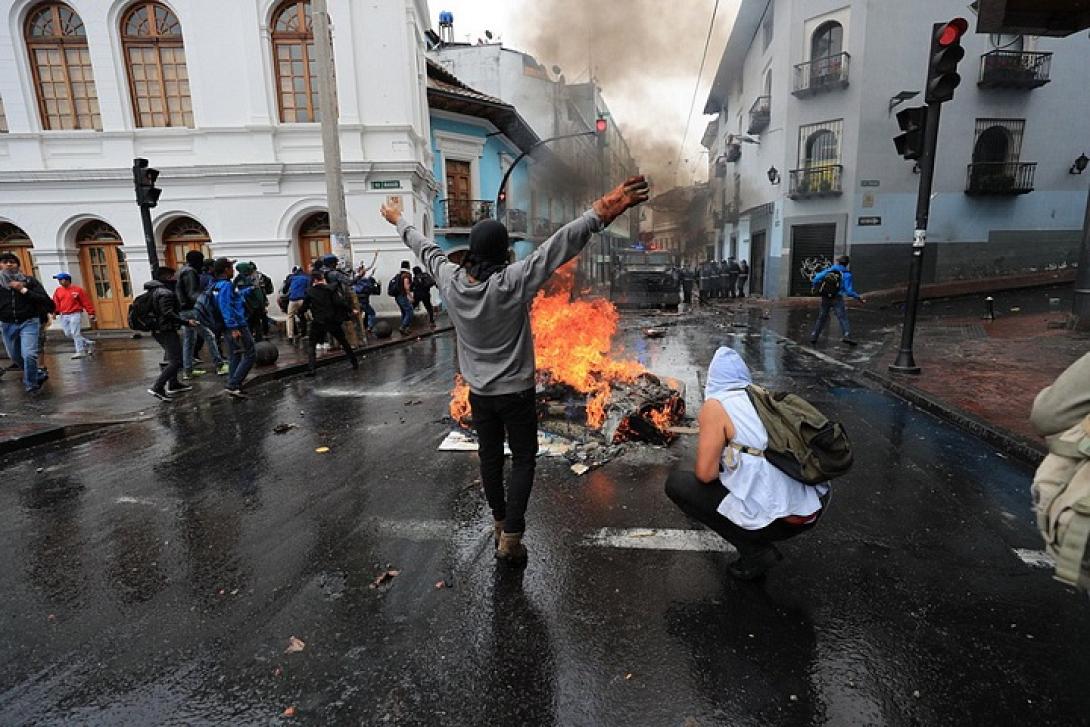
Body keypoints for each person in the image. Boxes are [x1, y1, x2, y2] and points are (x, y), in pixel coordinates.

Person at [381, 175, 649, 564]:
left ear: (471, 251)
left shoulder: (451, 282)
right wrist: (602, 210)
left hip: (480, 396)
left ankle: (499, 521)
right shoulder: (511, 282)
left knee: (490, 457)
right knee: (524, 457)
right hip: (517, 393)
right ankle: (512, 535)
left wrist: (397, 219)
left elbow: (425, 248)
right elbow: (558, 247)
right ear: (502, 252)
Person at [665, 347, 828, 580]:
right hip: (814, 507)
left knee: (678, 484)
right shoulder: (761, 397)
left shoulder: (715, 406)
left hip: (782, 520)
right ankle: (757, 534)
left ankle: (756, 552)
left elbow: (705, 474)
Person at [0, 251, 53, 392]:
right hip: (7, 324)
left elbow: (46, 301)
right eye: (5, 262)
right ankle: (37, 374)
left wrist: (23, 289)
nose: (9, 264)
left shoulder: (29, 281)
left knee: (29, 354)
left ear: (18, 265)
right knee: (15, 357)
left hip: (29, 322)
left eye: (12, 261)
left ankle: (31, 385)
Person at [144, 266, 196, 401]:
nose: (176, 278)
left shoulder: (155, 291)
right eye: (174, 275)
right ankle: (158, 387)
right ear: (167, 277)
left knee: (172, 357)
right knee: (177, 360)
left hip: (159, 329)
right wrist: (186, 322)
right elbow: (167, 313)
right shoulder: (165, 293)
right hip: (166, 329)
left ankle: (173, 384)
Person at [177, 250, 226, 379]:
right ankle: (219, 365)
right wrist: (207, 298)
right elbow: (192, 294)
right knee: (209, 335)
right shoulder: (189, 272)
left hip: (184, 310)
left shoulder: (182, 270)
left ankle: (188, 370)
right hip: (192, 310)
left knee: (189, 339)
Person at [300, 271, 359, 376]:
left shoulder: (310, 292)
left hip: (318, 321)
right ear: (321, 279)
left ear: (313, 281)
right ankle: (354, 362)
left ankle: (312, 369)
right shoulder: (330, 289)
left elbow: (304, 307)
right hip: (332, 321)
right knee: (344, 342)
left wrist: (300, 312)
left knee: (312, 344)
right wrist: (351, 310)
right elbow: (340, 302)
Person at [212, 258, 255, 399]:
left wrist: (247, 291)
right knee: (250, 354)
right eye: (231, 267)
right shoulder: (226, 285)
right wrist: (234, 327)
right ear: (225, 269)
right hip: (236, 324)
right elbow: (226, 307)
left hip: (226, 325)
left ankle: (234, 385)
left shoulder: (216, 285)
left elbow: (231, 300)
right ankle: (233, 384)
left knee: (235, 354)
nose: (233, 270)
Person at [809, 255, 864, 346]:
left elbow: (816, 278)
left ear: (838, 262)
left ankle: (814, 336)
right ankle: (847, 336)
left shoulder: (829, 270)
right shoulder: (847, 274)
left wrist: (816, 287)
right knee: (842, 318)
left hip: (826, 298)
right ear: (847, 264)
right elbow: (849, 291)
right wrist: (858, 297)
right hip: (837, 298)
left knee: (822, 317)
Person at [51, 272, 96, 359]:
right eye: (59, 280)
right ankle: (88, 343)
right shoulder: (58, 290)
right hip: (64, 314)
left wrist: (91, 313)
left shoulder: (77, 290)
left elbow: (85, 301)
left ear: (67, 280)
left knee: (75, 332)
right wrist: (54, 312)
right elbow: (56, 302)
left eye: (61, 279)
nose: (59, 281)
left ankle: (80, 351)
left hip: (75, 313)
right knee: (68, 333)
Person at [283, 266, 310, 343]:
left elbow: (285, 289)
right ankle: (305, 333)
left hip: (293, 299)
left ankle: (290, 336)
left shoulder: (291, 278)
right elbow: (308, 288)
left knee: (290, 316)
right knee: (303, 315)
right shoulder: (306, 277)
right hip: (303, 299)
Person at [352, 263, 380, 333]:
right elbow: (375, 291)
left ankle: (357, 329)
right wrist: (378, 285)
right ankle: (369, 327)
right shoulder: (367, 282)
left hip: (356, 301)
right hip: (364, 302)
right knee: (372, 313)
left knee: (358, 315)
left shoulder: (355, 281)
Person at [392, 261, 414, 335]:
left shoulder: (399, 274)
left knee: (404, 312)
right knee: (409, 311)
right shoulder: (406, 275)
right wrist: (410, 296)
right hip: (403, 296)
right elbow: (406, 286)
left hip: (397, 296)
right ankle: (403, 326)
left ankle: (405, 329)